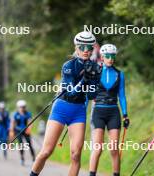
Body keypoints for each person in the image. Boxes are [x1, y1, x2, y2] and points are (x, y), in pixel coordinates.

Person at [29, 31, 100, 176]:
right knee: (46, 151)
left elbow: (92, 95)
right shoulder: (68, 65)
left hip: (78, 111)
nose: (86, 51)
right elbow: (71, 92)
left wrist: (93, 78)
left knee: (76, 154)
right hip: (61, 108)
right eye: (82, 47)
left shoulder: (95, 68)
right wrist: (84, 80)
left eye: (89, 48)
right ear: (76, 47)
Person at [89, 44, 130, 176]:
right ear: (102, 57)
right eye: (108, 56)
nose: (110, 59)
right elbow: (88, 93)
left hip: (113, 112)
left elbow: (122, 96)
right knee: (98, 147)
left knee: (113, 149)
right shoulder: (96, 72)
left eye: (113, 56)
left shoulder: (119, 74)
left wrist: (125, 115)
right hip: (99, 112)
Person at [11, 100, 35, 165]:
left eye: (23, 107)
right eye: (21, 107)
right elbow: (13, 123)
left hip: (26, 131)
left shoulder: (28, 113)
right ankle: (22, 158)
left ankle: (33, 157)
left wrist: (29, 129)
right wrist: (12, 131)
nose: (22, 108)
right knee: (20, 144)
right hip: (18, 131)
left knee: (29, 144)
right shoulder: (16, 114)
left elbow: (30, 122)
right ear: (18, 107)